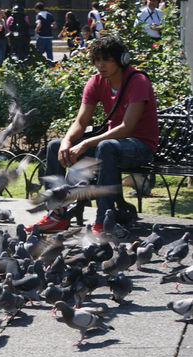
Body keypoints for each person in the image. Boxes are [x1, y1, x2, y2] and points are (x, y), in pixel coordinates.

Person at [27, 35, 158, 234]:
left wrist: (87, 143)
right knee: (55, 146)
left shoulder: (137, 81)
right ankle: (56, 215)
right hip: (113, 145)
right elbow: (81, 122)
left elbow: (127, 127)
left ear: (121, 59)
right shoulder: (96, 82)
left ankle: (103, 220)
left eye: (106, 59)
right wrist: (67, 142)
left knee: (107, 146)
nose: (100, 65)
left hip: (140, 146)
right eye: (96, 60)